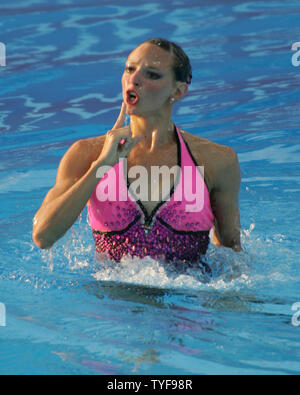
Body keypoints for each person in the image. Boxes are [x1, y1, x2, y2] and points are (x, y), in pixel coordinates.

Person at [32, 38, 241, 269]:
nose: (134, 79)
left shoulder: (215, 161)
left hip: (187, 300)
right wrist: (102, 165)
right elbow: (43, 236)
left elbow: (231, 253)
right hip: (109, 301)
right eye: (130, 69)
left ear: (178, 91)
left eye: (152, 74)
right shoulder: (86, 154)